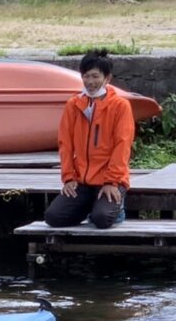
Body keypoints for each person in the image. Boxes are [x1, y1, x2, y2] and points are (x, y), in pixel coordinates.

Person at [44, 49, 135, 229]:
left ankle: (115, 208)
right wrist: (68, 177)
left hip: (110, 179)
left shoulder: (120, 106)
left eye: (95, 76)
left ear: (107, 78)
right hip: (82, 180)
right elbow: (65, 143)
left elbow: (122, 145)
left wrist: (112, 181)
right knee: (53, 218)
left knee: (102, 220)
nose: (90, 82)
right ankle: (90, 206)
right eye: (86, 76)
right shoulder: (73, 104)